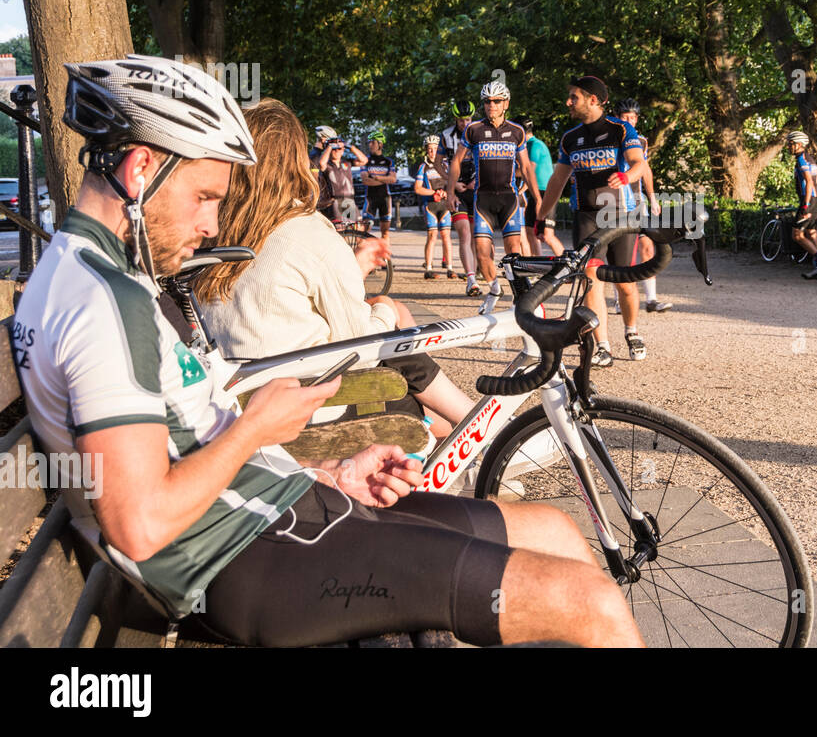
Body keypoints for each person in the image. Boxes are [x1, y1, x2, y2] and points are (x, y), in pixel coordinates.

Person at [12, 54, 642, 648]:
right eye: (205, 196)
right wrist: (258, 425)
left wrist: (325, 472)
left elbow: (190, 443)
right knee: (589, 600)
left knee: (556, 533)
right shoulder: (101, 302)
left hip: (285, 508)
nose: (212, 225)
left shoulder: (100, 277)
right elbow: (140, 524)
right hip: (250, 556)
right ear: (141, 169)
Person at [193, 101, 472, 438]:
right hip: (310, 412)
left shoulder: (212, 234)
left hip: (241, 404)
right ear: (296, 161)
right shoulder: (308, 230)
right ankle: (478, 424)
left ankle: (473, 423)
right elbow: (364, 348)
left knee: (396, 333)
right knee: (394, 327)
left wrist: (355, 271)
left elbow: (285, 297)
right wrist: (385, 311)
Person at [533, 76, 647, 366]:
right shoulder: (570, 138)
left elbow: (638, 163)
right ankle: (603, 345)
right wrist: (542, 216)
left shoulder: (621, 129)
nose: (568, 102)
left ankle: (631, 331)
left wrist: (626, 177)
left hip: (620, 214)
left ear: (592, 100)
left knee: (624, 283)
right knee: (591, 280)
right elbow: (558, 180)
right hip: (585, 216)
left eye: (574, 97)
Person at [447, 82, 541, 302]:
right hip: (483, 199)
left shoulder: (516, 131)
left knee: (513, 250)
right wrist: (450, 192)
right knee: (481, 251)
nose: (491, 105)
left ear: (505, 103)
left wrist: (538, 199)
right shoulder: (474, 130)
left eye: (496, 101)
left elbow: (526, 167)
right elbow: (457, 161)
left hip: (509, 198)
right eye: (487, 101)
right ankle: (495, 288)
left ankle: (519, 291)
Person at [612, 99, 672, 313]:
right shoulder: (610, 139)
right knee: (623, 252)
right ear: (617, 118)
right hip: (616, 200)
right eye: (625, 117)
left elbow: (645, 170)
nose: (630, 121)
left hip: (638, 200)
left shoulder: (641, 141)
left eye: (633, 118)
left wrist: (652, 199)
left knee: (648, 246)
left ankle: (651, 299)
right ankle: (621, 297)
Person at [436, 98, 481, 296]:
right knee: (464, 234)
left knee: (475, 237)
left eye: (468, 119)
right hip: (457, 191)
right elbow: (438, 163)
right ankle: (471, 279)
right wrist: (451, 183)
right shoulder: (445, 136)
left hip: (476, 188)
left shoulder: (480, 132)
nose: (465, 123)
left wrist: (476, 181)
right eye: (461, 120)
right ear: (455, 119)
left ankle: (476, 272)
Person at [787, 131, 817, 279]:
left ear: (798, 145)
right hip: (816, 198)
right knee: (812, 234)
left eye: (790, 144)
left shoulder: (801, 160)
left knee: (797, 235)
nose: (788, 146)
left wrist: (805, 205)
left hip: (809, 200)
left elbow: (809, 181)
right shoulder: (810, 158)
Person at [520, 117, 565, 257]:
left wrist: (519, 190)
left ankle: (570, 266)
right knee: (529, 231)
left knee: (547, 235)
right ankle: (538, 266)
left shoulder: (534, 145)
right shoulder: (527, 146)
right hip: (535, 192)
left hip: (546, 193)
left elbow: (529, 171)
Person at [413, 134, 455, 279]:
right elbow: (417, 188)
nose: (433, 152)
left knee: (446, 236)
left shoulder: (446, 165)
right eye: (430, 149)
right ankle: (429, 269)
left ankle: (450, 268)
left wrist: (447, 192)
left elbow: (453, 183)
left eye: (435, 149)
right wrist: (433, 192)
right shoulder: (423, 167)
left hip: (444, 205)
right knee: (432, 236)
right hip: (430, 205)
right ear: (426, 150)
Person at [317, 135, 367, 224]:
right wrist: (329, 147)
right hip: (335, 201)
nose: (336, 151)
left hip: (349, 200)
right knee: (340, 229)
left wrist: (350, 146)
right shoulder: (327, 164)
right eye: (334, 149)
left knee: (356, 229)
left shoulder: (347, 162)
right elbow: (321, 164)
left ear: (343, 150)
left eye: (339, 149)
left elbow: (364, 160)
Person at [360, 130, 398, 240]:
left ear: (380, 144)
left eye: (373, 142)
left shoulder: (389, 161)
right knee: (364, 232)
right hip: (370, 198)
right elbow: (365, 181)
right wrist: (385, 179)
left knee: (385, 233)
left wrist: (376, 177)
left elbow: (393, 179)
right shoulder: (365, 160)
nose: (370, 145)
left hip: (385, 198)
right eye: (369, 142)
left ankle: (385, 257)